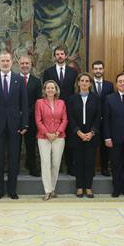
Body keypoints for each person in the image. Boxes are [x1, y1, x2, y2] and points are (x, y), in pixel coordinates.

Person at [0, 51, 28, 200]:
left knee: (13, 159)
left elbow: (24, 103)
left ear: (12, 63)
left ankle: (12, 190)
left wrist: (25, 124)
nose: (5, 63)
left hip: (15, 126)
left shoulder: (19, 80)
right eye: (2, 61)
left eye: (7, 61)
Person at [42, 45, 78, 175]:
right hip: (52, 112)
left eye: (62, 54)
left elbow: (76, 92)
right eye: (57, 54)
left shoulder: (73, 72)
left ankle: (70, 167)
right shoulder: (48, 72)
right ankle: (52, 169)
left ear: (66, 56)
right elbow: (46, 92)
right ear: (54, 56)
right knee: (51, 140)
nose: (60, 56)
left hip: (68, 110)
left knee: (68, 140)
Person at [67, 73, 102, 198]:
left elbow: (98, 117)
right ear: (78, 83)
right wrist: (79, 132)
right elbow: (70, 118)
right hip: (77, 135)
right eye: (82, 80)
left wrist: (92, 132)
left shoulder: (96, 98)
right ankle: (79, 187)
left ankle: (89, 187)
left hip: (91, 136)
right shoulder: (72, 99)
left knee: (89, 162)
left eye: (87, 81)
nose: (84, 83)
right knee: (78, 162)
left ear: (90, 83)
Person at [35, 81, 67, 201]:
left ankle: (52, 188)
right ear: (44, 90)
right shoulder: (39, 102)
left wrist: (58, 132)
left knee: (55, 163)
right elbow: (38, 120)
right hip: (44, 137)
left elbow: (65, 120)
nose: (50, 90)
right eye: (48, 88)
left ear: (56, 90)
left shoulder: (61, 103)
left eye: (52, 88)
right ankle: (47, 190)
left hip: (59, 137)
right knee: (45, 163)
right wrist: (47, 133)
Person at [19, 55, 42, 176]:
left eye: (27, 63)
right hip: (16, 118)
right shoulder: (14, 79)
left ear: (31, 65)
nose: (24, 66)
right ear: (18, 65)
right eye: (22, 63)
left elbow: (38, 101)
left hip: (32, 119)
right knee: (15, 146)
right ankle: (14, 168)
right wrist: (19, 113)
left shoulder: (36, 81)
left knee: (31, 145)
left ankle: (32, 167)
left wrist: (26, 112)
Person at [91, 60, 114, 176]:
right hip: (92, 120)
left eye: (100, 68)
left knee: (105, 146)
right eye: (96, 69)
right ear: (92, 70)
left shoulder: (109, 85)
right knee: (92, 145)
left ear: (103, 70)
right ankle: (92, 169)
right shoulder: (88, 84)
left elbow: (112, 102)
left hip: (106, 120)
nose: (98, 71)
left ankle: (104, 168)